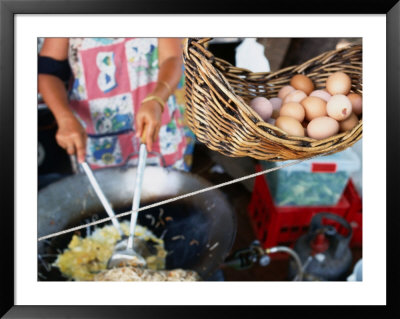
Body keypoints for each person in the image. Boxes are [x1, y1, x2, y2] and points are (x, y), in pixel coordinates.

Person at [38, 37, 194, 171]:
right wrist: (64, 117)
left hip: (156, 126)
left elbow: (172, 59)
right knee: (101, 200)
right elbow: (48, 72)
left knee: (166, 197)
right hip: (95, 138)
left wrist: (157, 98)